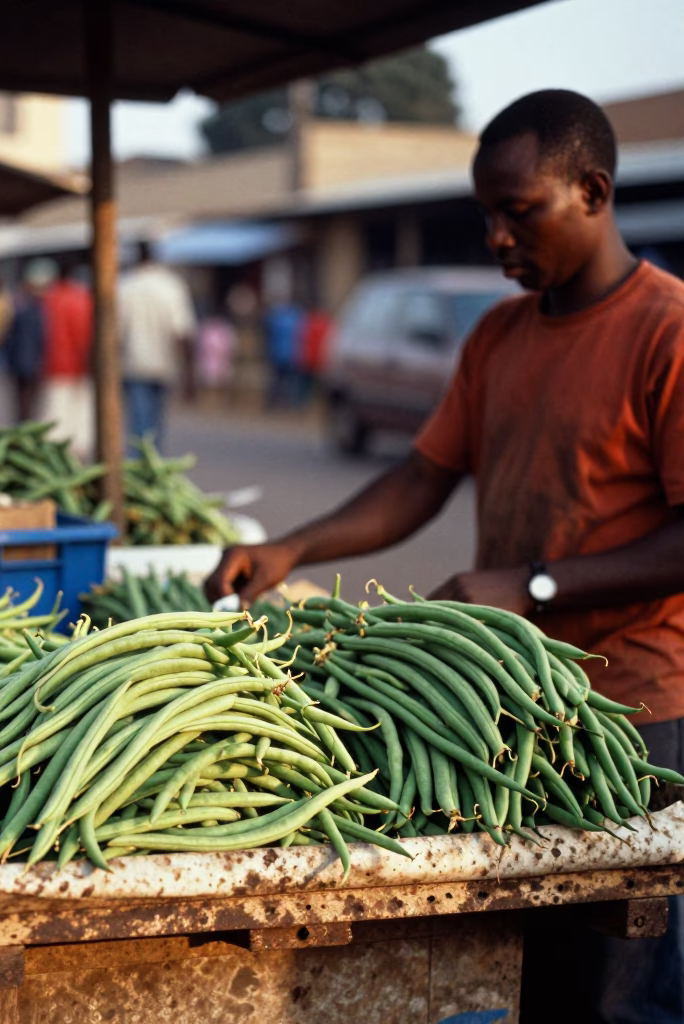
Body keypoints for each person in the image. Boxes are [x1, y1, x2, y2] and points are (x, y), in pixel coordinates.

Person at [205, 89, 684, 1024]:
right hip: (509, 704)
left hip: (636, 712)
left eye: (520, 211)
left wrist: (533, 586)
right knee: (535, 969)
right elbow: (420, 479)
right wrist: (289, 546)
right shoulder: (499, 335)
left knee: (623, 993)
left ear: (593, 191)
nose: (499, 238)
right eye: (487, 216)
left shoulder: (668, 331)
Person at [118, 240, 197, 452]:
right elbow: (182, 332)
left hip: (133, 364)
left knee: (138, 425)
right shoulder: (171, 286)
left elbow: (114, 333)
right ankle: (150, 469)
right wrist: (190, 374)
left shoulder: (125, 286)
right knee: (155, 425)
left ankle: (140, 470)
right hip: (165, 365)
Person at [39, 258, 95, 459]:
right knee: (78, 416)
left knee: (56, 414)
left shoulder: (49, 298)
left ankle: (56, 453)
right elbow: (86, 334)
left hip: (54, 365)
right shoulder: (83, 298)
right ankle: (75, 453)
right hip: (79, 365)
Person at [1, 258, 52, 422]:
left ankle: (23, 426)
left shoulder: (21, 306)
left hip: (22, 361)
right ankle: (24, 427)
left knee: (24, 401)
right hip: (29, 362)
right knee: (26, 401)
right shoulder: (31, 308)